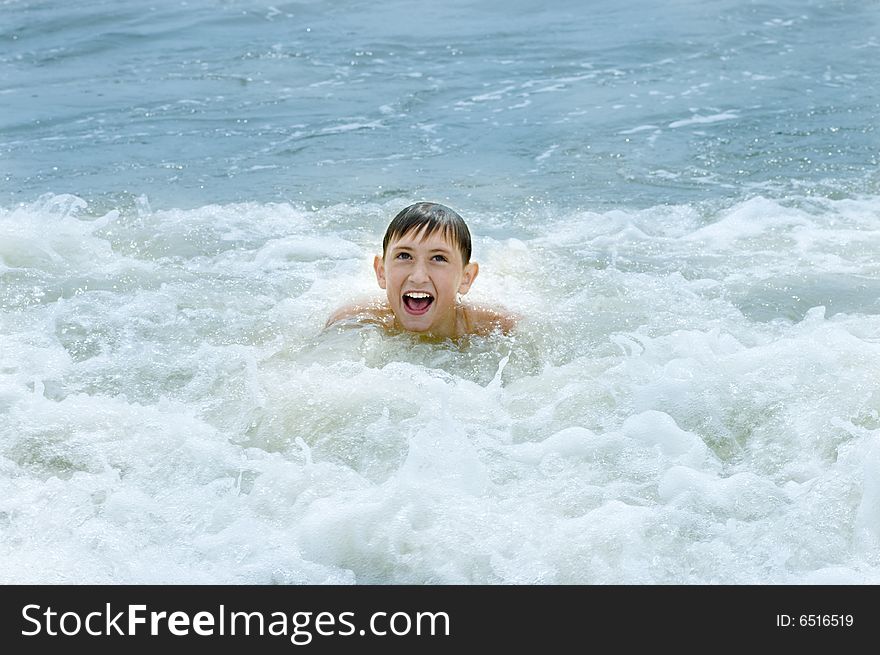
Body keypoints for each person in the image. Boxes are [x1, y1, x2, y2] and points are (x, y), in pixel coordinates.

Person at [325, 202, 517, 339]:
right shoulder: (350, 320)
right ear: (381, 272)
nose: (418, 277)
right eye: (404, 256)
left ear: (466, 279)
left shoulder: (496, 326)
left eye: (438, 258)